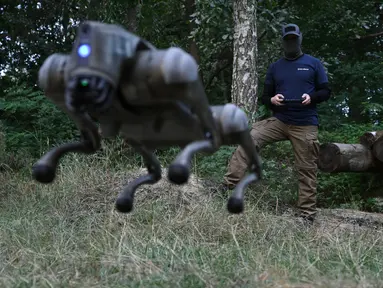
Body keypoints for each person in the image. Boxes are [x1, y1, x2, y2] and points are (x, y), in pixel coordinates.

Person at [223, 23, 331, 225]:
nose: (291, 42)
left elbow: (326, 91)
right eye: (288, 39)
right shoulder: (275, 67)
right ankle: (227, 186)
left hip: (305, 123)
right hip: (280, 120)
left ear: (299, 39)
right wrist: (272, 100)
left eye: (294, 39)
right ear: (283, 41)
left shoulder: (313, 63)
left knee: (306, 167)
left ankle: (307, 214)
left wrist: (312, 97)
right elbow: (265, 96)